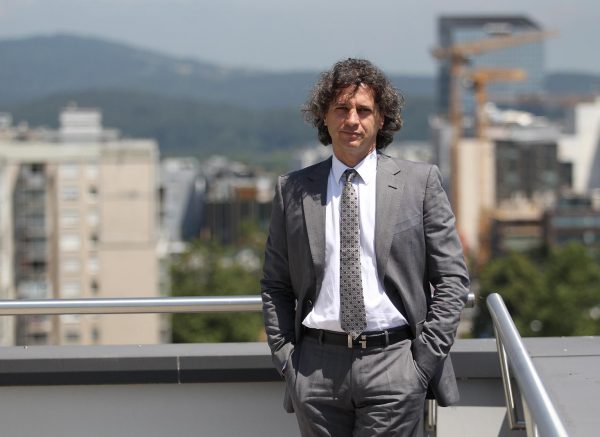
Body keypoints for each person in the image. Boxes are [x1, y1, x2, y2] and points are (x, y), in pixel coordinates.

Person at [261, 58, 469, 436]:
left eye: (363, 110)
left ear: (381, 118)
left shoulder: (420, 183)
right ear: (324, 117)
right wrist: (287, 359)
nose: (352, 120)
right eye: (341, 109)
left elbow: (452, 278)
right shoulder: (292, 190)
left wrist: (422, 362)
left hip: (394, 362)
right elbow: (276, 284)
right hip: (315, 368)